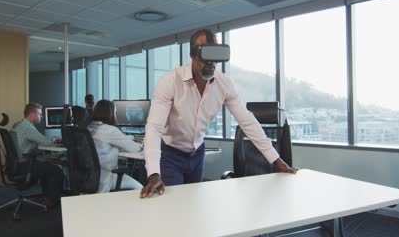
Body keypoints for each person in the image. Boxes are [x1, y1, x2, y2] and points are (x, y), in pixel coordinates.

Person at [140, 29, 297, 198]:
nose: (210, 63)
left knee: (193, 204)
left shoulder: (224, 84)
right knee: (170, 204)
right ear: (193, 55)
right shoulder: (170, 81)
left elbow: (247, 121)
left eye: (214, 56)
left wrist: (276, 160)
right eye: (204, 55)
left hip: (197, 154)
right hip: (170, 154)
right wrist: (154, 174)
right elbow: (154, 127)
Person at [10, 102, 64, 207]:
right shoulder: (27, 127)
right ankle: (51, 201)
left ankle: (47, 198)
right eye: (39, 114)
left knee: (47, 166)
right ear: (32, 114)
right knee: (56, 170)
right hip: (25, 166)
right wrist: (57, 139)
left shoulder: (20, 125)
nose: (42, 117)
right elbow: (45, 141)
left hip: (18, 164)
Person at [87, 100, 143, 193]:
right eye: (115, 112)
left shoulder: (88, 128)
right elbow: (135, 148)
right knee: (140, 188)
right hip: (105, 179)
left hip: (88, 178)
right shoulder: (109, 130)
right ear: (110, 114)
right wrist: (142, 145)